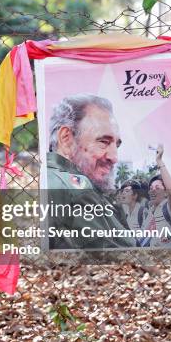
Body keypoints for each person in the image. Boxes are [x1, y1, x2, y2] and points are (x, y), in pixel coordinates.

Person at [46, 94, 135, 249]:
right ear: (66, 138)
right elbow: (124, 258)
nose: (114, 157)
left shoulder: (84, 186)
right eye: (103, 142)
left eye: (116, 145)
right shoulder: (75, 187)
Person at [138, 144, 171, 248]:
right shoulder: (149, 212)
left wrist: (159, 161)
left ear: (165, 192)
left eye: (157, 188)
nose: (152, 191)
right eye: (151, 188)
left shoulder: (169, 208)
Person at [118, 179, 149, 246]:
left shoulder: (143, 212)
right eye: (122, 191)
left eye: (127, 191)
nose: (123, 193)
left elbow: (147, 239)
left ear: (135, 195)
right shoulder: (124, 213)